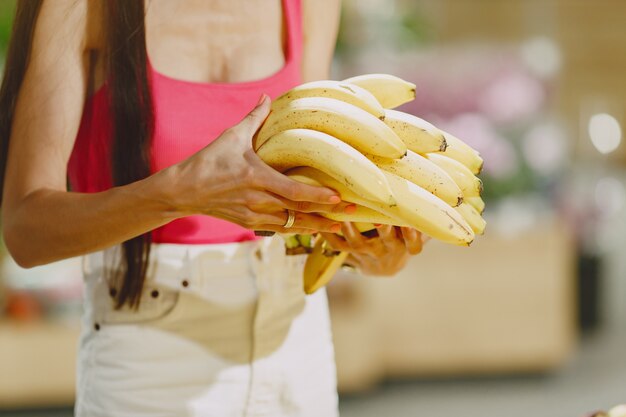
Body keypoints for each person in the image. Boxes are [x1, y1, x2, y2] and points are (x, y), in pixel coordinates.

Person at [0, 1, 424, 416]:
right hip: (148, 361)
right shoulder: (80, 8)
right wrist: (181, 192)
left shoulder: (312, 6)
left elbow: (308, 185)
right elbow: (25, 229)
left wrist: (369, 252)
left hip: (297, 348)